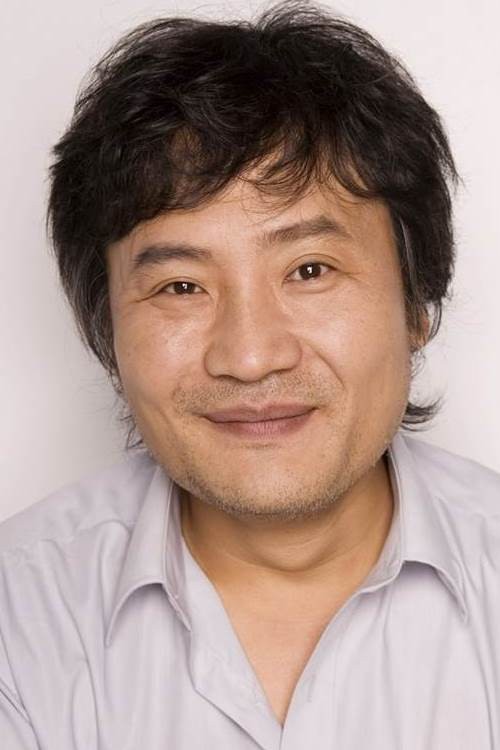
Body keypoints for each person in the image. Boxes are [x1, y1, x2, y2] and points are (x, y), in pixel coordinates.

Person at [1, 0, 499, 747]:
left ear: (417, 304)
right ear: (106, 332)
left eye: (310, 269)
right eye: (181, 286)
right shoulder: (19, 618)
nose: (250, 356)